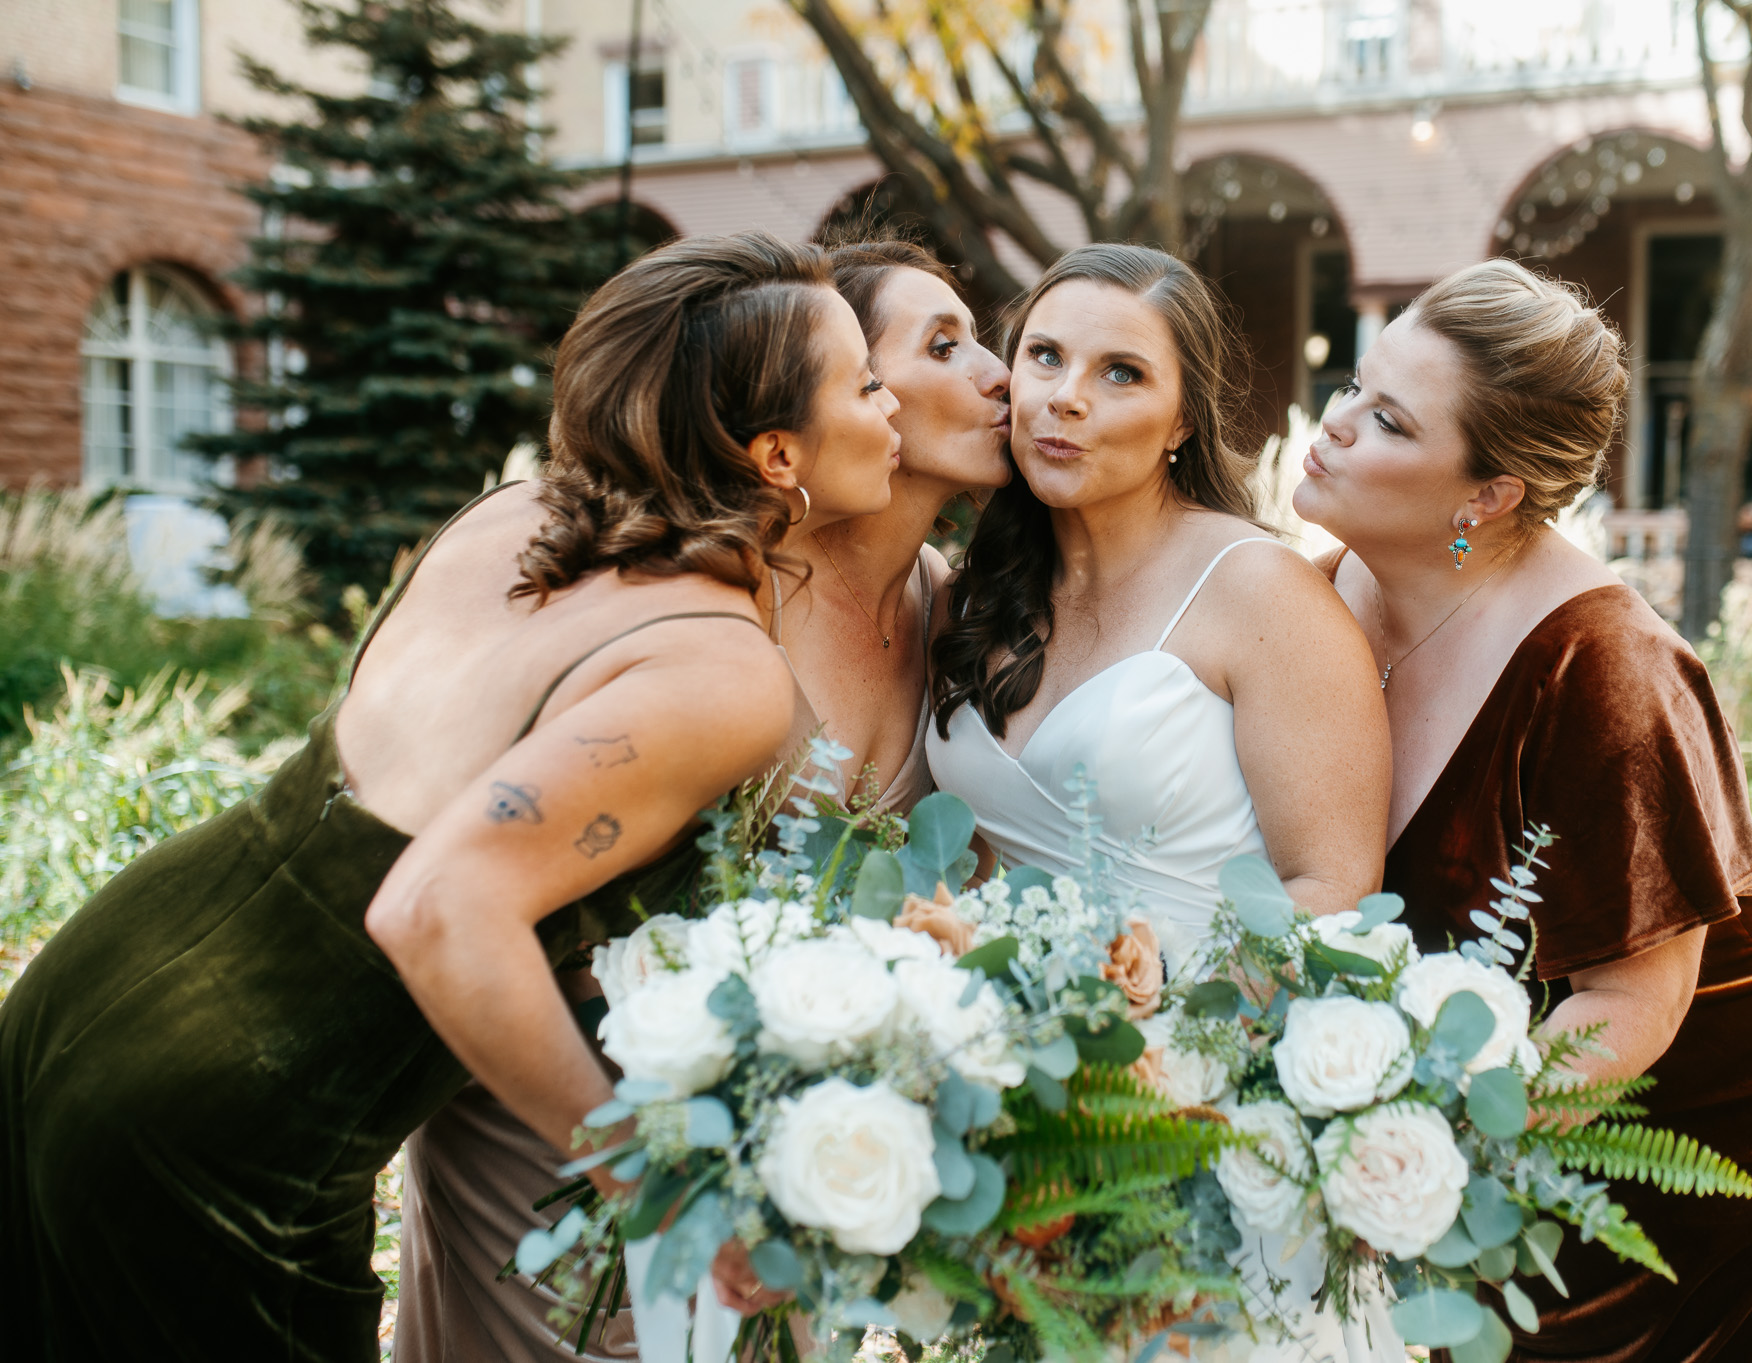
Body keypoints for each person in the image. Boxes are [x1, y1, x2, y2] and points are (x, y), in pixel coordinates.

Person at [0, 231, 900, 1363]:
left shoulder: (523, 521)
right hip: (225, 1126)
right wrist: (658, 1177)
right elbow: (434, 905)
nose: (891, 409)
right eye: (867, 385)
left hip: (81, 993)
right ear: (777, 455)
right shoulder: (719, 670)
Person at [393, 236, 1014, 1361]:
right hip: (573, 1123)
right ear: (795, 416)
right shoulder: (699, 598)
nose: (1001, 372)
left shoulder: (960, 617)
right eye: (936, 346)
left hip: (794, 1160)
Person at [1297, 258, 1752, 1360]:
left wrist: (1425, 1156)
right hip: (1501, 1090)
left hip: (1722, 1097)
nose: (1334, 428)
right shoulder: (1319, 589)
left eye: (1388, 421)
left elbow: (1635, 996)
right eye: (1353, 390)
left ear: (1487, 494)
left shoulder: (1605, 665)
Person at [924, 242, 1396, 1361]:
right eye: (1043, 355)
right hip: (1015, 1139)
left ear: (1184, 418)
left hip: (1203, 1119)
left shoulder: (1256, 592)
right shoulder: (972, 599)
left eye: (1121, 373)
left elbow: (1331, 885)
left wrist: (1151, 1081)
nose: (1065, 397)